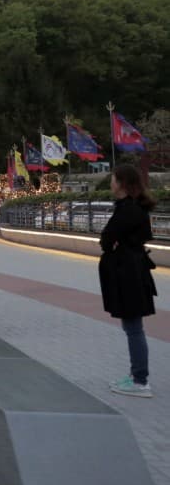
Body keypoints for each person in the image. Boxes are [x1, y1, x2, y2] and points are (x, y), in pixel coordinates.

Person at [99, 164, 157, 398]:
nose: (111, 183)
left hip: (130, 274)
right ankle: (136, 375)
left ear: (122, 183)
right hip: (130, 271)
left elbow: (107, 238)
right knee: (132, 326)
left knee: (134, 328)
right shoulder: (130, 208)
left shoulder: (129, 210)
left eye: (113, 179)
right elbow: (110, 238)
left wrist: (111, 243)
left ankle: (140, 380)